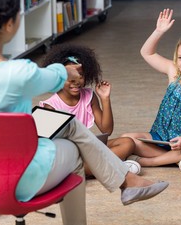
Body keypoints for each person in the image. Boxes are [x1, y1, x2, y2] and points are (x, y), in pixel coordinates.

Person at [0, 0, 168, 225]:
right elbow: (54, 77)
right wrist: (66, 70)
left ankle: (128, 183)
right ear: (9, 24)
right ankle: (102, 211)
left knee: (69, 129)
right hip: (20, 179)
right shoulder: (19, 72)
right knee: (74, 147)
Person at [121, 8, 181, 167]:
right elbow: (147, 53)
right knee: (126, 138)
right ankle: (177, 159)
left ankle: (150, 162)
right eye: (180, 57)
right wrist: (158, 31)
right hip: (158, 136)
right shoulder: (174, 72)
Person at [39, 44, 140, 176]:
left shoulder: (89, 96)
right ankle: (113, 166)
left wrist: (105, 98)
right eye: (69, 76)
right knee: (64, 165)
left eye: (80, 75)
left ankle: (98, 168)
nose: (75, 81)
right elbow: (49, 146)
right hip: (66, 155)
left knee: (127, 143)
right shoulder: (50, 106)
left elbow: (106, 130)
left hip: (87, 149)